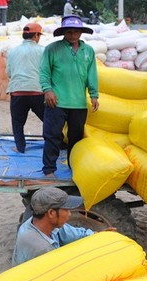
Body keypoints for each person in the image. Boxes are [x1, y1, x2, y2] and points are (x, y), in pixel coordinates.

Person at [39, 15, 98, 177]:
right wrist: (47, 90)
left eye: (76, 31)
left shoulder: (89, 51)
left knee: (76, 139)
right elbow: (44, 72)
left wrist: (94, 94)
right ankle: (49, 169)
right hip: (56, 102)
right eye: (69, 31)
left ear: (81, 32)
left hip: (78, 104)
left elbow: (92, 74)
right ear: (63, 32)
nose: (73, 35)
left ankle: (75, 168)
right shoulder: (52, 49)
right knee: (52, 136)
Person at [12, 187, 94, 266]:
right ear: (51, 213)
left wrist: (98, 235)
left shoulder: (40, 223)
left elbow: (78, 234)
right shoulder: (43, 249)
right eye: (66, 210)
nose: (69, 214)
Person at [5, 23, 45, 154]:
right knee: (48, 119)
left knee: (17, 122)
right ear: (36, 35)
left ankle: (20, 147)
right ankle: (57, 143)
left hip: (17, 91)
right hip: (37, 90)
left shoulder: (12, 51)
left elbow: (9, 72)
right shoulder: (42, 50)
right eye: (39, 35)